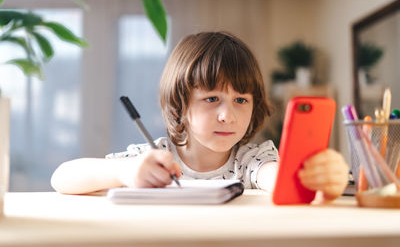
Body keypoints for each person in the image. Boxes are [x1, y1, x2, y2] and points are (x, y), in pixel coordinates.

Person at [51, 31, 349, 201]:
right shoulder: (157, 156)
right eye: (211, 98)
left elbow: (281, 180)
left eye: (240, 99)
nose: (227, 115)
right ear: (180, 106)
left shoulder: (251, 160)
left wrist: (321, 177)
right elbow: (62, 177)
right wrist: (125, 172)